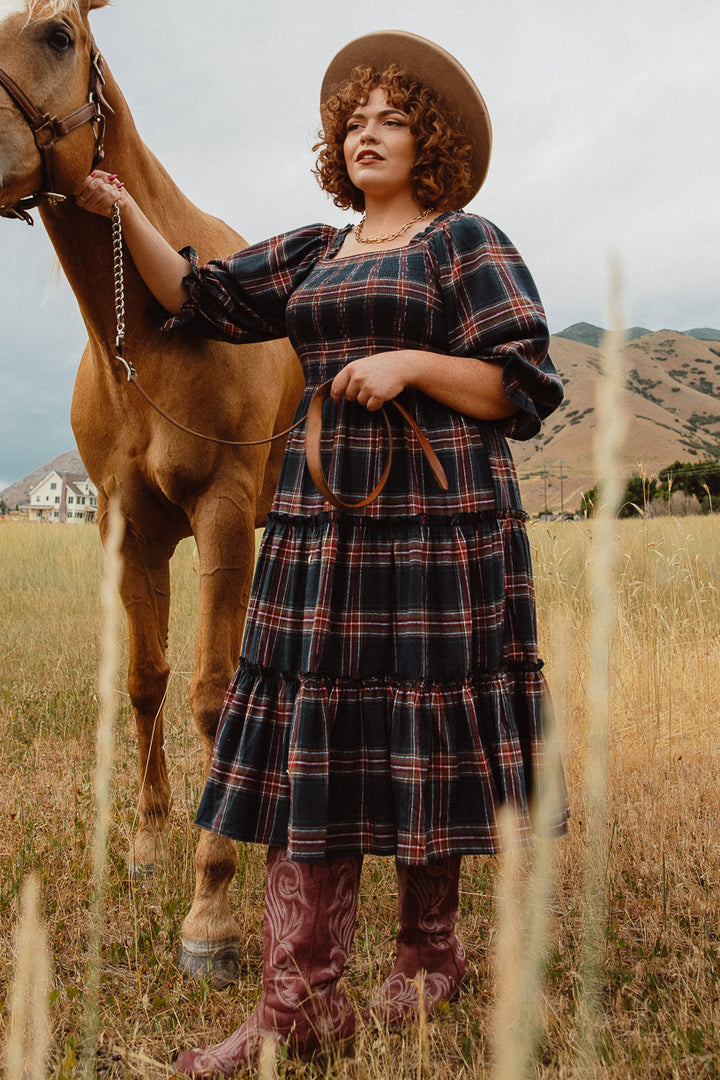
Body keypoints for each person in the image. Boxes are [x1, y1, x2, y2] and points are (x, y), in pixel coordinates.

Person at [76, 30, 567, 1077]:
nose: (367, 134)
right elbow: (194, 294)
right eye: (354, 122)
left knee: (423, 735)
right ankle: (297, 1003)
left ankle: (430, 958)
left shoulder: (464, 245)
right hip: (324, 530)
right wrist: (121, 211)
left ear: (426, 141)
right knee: (319, 750)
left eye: (391, 119)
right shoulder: (310, 252)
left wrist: (411, 363)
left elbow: (520, 387)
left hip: (442, 528)